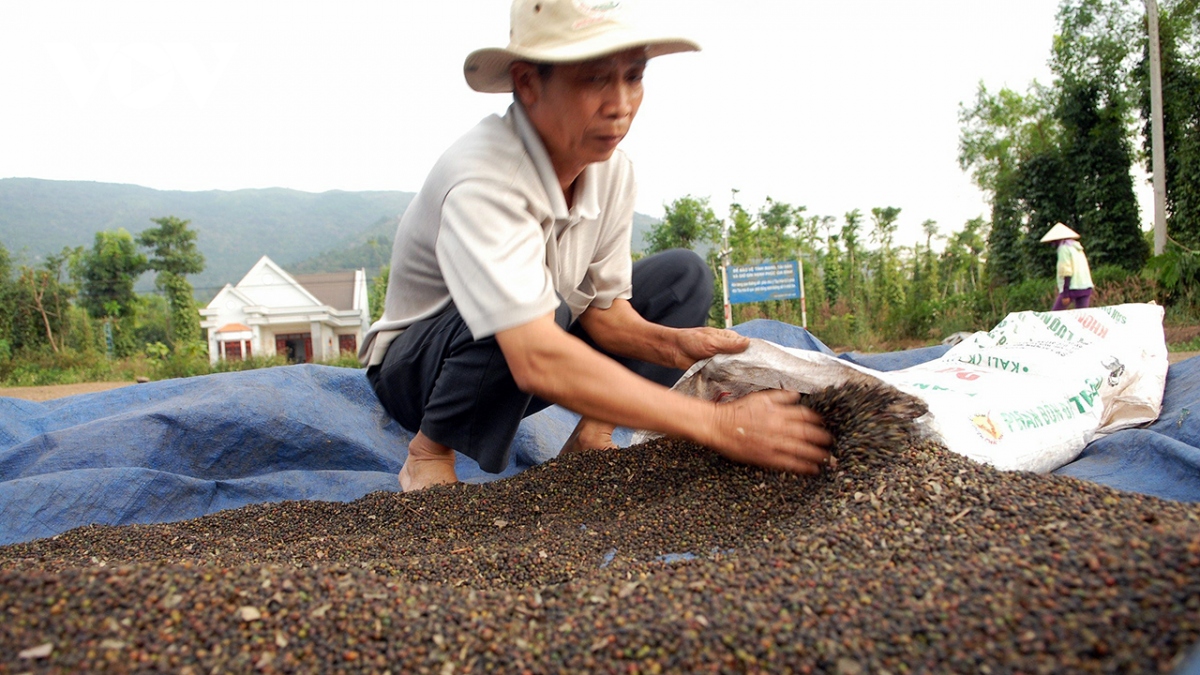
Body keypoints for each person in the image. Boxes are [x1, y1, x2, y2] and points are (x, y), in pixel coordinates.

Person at [360, 0, 832, 491]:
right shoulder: (483, 179)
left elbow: (605, 314)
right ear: (527, 83)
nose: (621, 103)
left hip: (527, 349)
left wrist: (675, 345)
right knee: (542, 315)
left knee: (682, 276)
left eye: (634, 76)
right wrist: (717, 427)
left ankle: (593, 432)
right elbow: (536, 354)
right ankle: (429, 452)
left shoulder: (612, 172)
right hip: (417, 374)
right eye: (594, 79)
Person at [1040, 222, 1094, 311]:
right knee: (1081, 318)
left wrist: (1065, 294)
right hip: (1085, 286)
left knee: (1054, 315)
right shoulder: (1077, 247)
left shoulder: (1063, 248)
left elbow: (1066, 271)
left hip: (1073, 287)